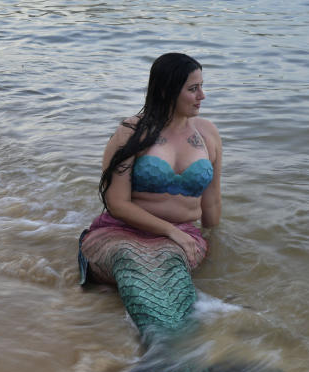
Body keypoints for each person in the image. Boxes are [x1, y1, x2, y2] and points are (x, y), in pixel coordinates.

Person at [78, 53, 222, 287]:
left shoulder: (208, 134)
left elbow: (212, 201)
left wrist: (214, 250)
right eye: (193, 89)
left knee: (165, 267)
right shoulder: (131, 132)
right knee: (133, 261)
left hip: (182, 236)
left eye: (202, 87)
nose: (202, 96)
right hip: (122, 232)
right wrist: (169, 231)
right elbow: (116, 203)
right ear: (167, 91)